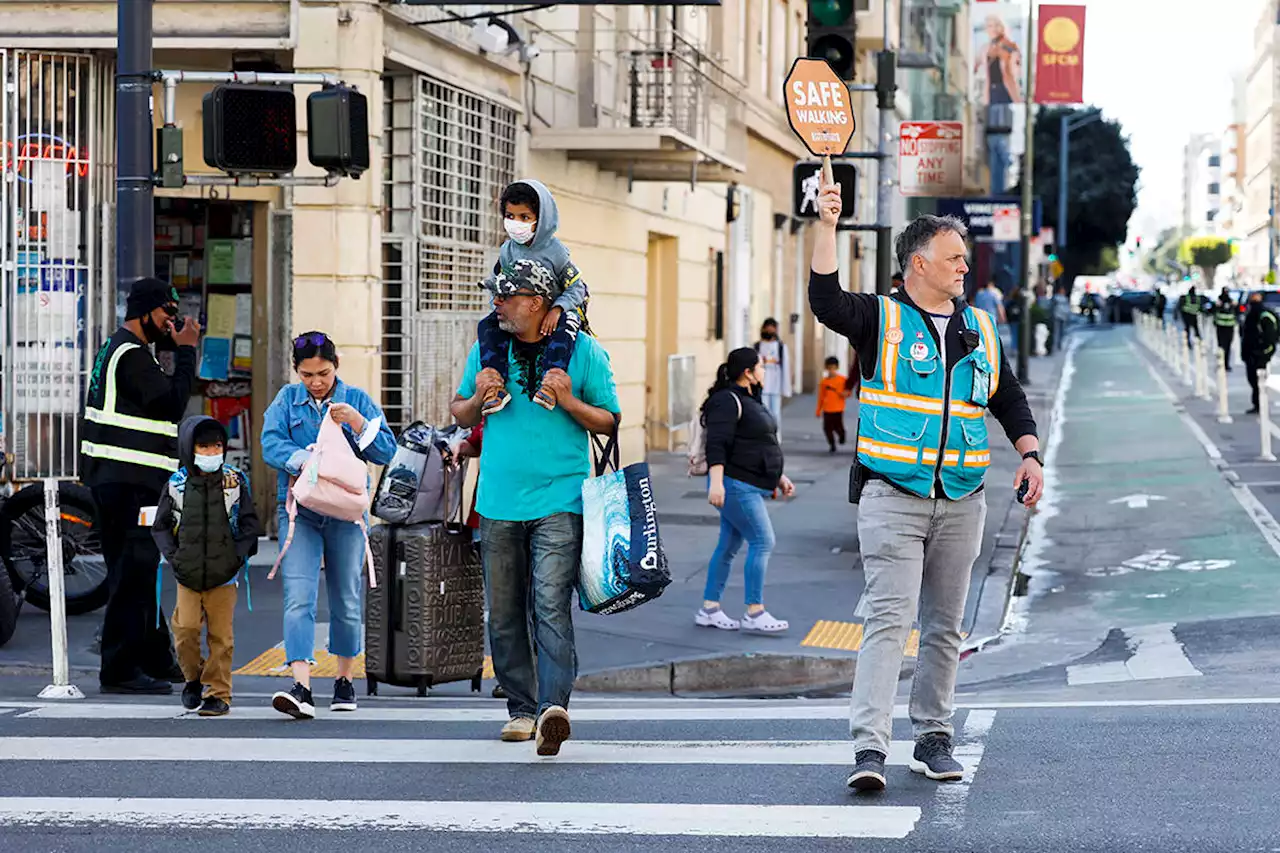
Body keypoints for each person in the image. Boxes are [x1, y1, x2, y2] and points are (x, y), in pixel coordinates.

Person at [808, 185, 1043, 793]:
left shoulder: (981, 328)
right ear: (919, 263)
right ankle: (869, 748)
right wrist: (827, 223)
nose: (965, 265)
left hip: (963, 499)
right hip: (893, 497)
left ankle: (933, 736)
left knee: (946, 626)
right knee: (889, 619)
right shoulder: (879, 318)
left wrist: (1030, 455)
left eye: (964, 257)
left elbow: (1008, 398)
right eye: (954, 257)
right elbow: (825, 299)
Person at [451, 259, 621, 756]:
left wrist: (569, 401)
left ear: (538, 302)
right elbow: (459, 411)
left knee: (549, 605)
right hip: (498, 502)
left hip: (559, 499)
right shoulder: (489, 351)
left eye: (508, 296)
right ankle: (521, 710)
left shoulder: (583, 351)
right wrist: (478, 396)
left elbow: (609, 420)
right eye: (497, 296)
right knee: (503, 613)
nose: (497, 304)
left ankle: (552, 709)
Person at [261, 332, 396, 719]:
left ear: (336, 366)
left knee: (347, 599)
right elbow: (270, 443)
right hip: (299, 512)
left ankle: (344, 680)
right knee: (298, 596)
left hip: (346, 515)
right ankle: (301, 685)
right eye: (307, 374)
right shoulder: (287, 400)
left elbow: (385, 450)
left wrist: (356, 422)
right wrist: (304, 460)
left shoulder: (356, 399)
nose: (316, 381)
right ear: (297, 371)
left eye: (323, 372)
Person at [81, 277, 202, 695]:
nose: (172, 322)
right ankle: (119, 669)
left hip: (120, 478)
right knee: (134, 574)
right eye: (167, 314)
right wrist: (186, 351)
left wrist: (174, 345)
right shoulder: (131, 356)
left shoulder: (120, 350)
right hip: (130, 480)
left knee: (139, 573)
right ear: (146, 312)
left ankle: (153, 656)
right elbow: (171, 404)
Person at [152, 416, 261, 716]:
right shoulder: (176, 485)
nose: (211, 452)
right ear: (189, 448)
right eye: (204, 446)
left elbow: (250, 525)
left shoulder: (235, 481)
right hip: (187, 574)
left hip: (224, 575)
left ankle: (219, 694)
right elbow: (160, 526)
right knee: (185, 630)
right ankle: (193, 677)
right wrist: (174, 557)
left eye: (217, 446)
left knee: (221, 638)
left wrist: (237, 556)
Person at [695, 348, 794, 634]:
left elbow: (758, 443)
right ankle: (754, 611)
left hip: (747, 482)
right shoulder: (727, 401)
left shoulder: (749, 397)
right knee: (763, 541)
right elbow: (718, 444)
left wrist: (778, 476)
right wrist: (715, 483)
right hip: (735, 486)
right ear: (747, 372)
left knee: (728, 546)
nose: (764, 369)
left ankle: (709, 609)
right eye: (760, 366)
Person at [478, 180, 590, 416]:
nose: (516, 224)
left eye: (524, 217)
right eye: (510, 216)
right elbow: (500, 284)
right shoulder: (507, 250)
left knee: (565, 328)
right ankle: (495, 386)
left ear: (541, 219)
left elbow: (578, 288)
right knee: (487, 326)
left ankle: (550, 384)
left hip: (556, 311)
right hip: (520, 313)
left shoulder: (557, 252)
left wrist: (557, 310)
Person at [1241, 292, 1279, 414]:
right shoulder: (1255, 314)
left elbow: (1270, 336)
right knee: (1255, 379)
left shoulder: (1262, 315)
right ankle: (1258, 403)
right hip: (1253, 352)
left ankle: (1260, 404)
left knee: (1257, 379)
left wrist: (1263, 352)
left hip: (1258, 353)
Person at [754, 318, 791, 429]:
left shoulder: (780, 347)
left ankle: (776, 435)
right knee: (763, 412)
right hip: (762, 384)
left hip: (776, 384)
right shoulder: (757, 346)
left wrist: (786, 388)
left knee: (775, 413)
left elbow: (785, 366)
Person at [816, 356, 851, 453]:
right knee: (827, 428)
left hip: (838, 409)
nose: (831, 370)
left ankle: (842, 435)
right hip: (827, 409)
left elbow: (848, 392)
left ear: (837, 368)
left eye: (833, 368)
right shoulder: (824, 382)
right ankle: (832, 444)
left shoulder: (842, 380)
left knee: (838, 426)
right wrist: (818, 410)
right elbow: (821, 397)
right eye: (829, 368)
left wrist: (844, 394)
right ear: (826, 368)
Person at [1213, 289, 1238, 371]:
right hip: (1224, 327)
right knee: (1223, 346)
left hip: (1226, 327)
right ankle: (1222, 363)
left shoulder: (1230, 302)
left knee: (1224, 346)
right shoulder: (1219, 302)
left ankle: (1225, 364)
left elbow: (1237, 311)